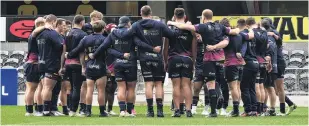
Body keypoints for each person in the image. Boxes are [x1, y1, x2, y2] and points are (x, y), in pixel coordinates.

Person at [167, 9, 239, 117]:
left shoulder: (202, 26)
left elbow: (184, 27)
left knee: (210, 85)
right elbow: (235, 32)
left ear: (203, 17)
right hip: (221, 60)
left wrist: (171, 22)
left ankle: (213, 112)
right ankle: (225, 107)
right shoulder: (221, 27)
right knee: (218, 85)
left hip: (209, 59)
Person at [91, 16, 161, 117]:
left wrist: (94, 55)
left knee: (121, 87)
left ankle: (122, 111)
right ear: (128, 23)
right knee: (131, 88)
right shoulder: (131, 34)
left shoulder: (112, 34)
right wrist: (152, 49)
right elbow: (140, 43)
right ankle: (129, 111)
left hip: (118, 64)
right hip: (130, 63)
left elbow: (103, 47)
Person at [112, 5, 174, 117]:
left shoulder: (136, 25)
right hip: (157, 57)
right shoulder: (159, 24)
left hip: (144, 58)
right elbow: (171, 35)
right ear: (151, 13)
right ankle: (159, 111)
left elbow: (125, 35)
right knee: (159, 84)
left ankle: (150, 111)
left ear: (141, 13)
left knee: (148, 84)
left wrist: (114, 31)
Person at [66, 20, 108, 117]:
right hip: (100, 65)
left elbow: (78, 49)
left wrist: (69, 54)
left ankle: (88, 111)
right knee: (101, 90)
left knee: (89, 89)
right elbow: (109, 52)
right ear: (103, 28)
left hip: (89, 66)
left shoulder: (86, 38)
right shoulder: (105, 39)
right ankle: (102, 111)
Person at [163, 8, 196, 117]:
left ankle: (177, 110)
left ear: (174, 15)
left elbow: (165, 48)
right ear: (185, 16)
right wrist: (194, 62)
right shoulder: (190, 29)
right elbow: (194, 48)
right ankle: (188, 111)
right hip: (187, 59)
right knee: (186, 85)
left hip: (174, 58)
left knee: (176, 86)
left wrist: (165, 61)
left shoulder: (170, 29)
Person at [264, 18, 297, 115]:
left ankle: (281, 110)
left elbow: (278, 43)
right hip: (276, 61)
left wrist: (274, 35)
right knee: (274, 88)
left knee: (278, 87)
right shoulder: (270, 33)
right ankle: (290, 104)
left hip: (278, 62)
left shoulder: (272, 33)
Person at [36, 14, 63, 116]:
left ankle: (48, 109)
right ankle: (46, 110)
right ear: (53, 22)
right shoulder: (53, 34)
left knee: (45, 88)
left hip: (41, 62)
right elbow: (61, 47)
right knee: (48, 88)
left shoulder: (38, 33)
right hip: (51, 63)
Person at [61, 15, 88, 117]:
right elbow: (82, 52)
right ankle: (73, 110)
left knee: (71, 88)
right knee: (77, 87)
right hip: (77, 64)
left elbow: (64, 51)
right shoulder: (83, 34)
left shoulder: (68, 33)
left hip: (68, 63)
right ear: (82, 22)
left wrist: (62, 65)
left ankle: (69, 108)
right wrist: (83, 66)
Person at [219, 18, 246, 117]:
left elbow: (225, 45)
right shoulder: (239, 35)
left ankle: (235, 110)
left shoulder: (226, 35)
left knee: (233, 87)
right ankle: (237, 109)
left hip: (231, 63)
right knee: (237, 87)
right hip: (240, 63)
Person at [78, 10, 103, 114]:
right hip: (90, 61)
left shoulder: (85, 29)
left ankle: (85, 109)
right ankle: (84, 108)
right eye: (100, 18)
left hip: (86, 61)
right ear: (96, 17)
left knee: (86, 87)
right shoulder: (87, 28)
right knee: (87, 86)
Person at [24, 17, 44, 116]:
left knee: (33, 88)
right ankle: (30, 111)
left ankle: (33, 110)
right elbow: (36, 29)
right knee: (32, 88)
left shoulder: (36, 35)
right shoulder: (34, 34)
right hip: (34, 63)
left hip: (32, 63)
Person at [238, 17, 258, 117]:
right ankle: (254, 110)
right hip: (256, 62)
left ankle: (248, 110)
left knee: (244, 87)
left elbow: (243, 48)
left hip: (248, 62)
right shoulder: (255, 35)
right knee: (251, 88)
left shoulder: (242, 35)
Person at [103, 23, 118, 116]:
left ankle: (110, 109)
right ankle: (103, 108)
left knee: (112, 88)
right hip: (106, 65)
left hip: (115, 65)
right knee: (106, 88)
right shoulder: (104, 40)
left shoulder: (118, 40)